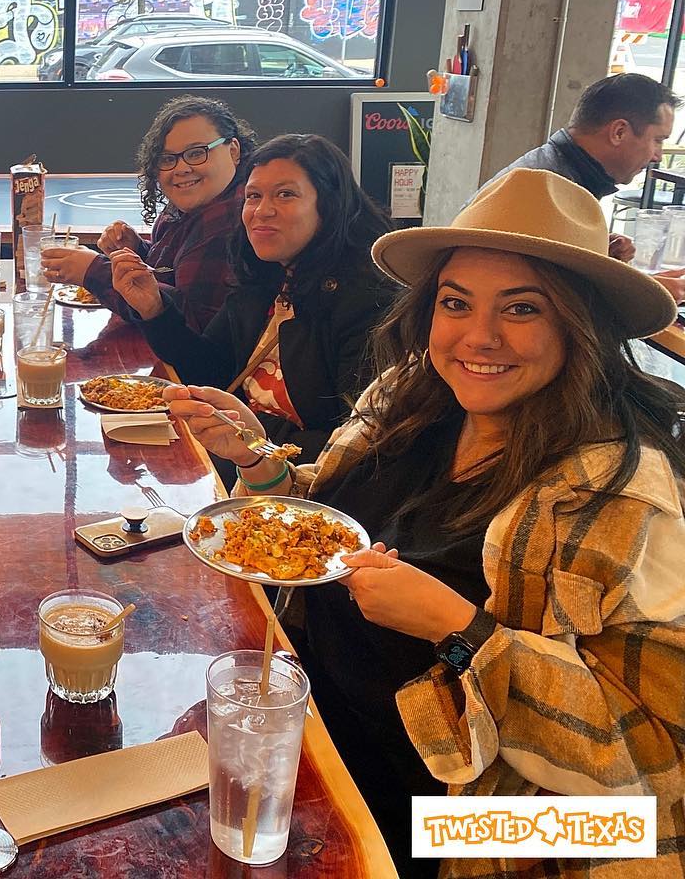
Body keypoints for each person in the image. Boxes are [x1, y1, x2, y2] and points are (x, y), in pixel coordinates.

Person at [170, 169, 685, 878]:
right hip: (308, 716)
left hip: (457, 817)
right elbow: (333, 527)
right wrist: (261, 462)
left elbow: (655, 772)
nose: (479, 336)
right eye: (455, 302)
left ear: (582, 323)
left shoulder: (625, 500)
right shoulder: (415, 396)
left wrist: (459, 629)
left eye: (522, 309)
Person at [111, 133, 395, 461]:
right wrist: (153, 309)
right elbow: (211, 370)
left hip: (300, 488)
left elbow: (363, 442)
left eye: (285, 194)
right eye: (253, 195)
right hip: (238, 457)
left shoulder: (369, 300)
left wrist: (250, 436)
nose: (262, 211)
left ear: (329, 206)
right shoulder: (267, 276)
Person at [40, 95, 252, 332]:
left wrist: (94, 271)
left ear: (233, 150)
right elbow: (176, 272)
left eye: (196, 153)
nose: (181, 168)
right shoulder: (198, 204)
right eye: (168, 159)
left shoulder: (231, 220)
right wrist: (137, 251)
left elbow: (192, 326)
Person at [493, 72, 678, 270]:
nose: (657, 156)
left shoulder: (552, 172)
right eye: (658, 140)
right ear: (619, 132)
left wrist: (593, 249)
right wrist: (652, 294)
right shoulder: (548, 190)